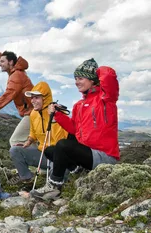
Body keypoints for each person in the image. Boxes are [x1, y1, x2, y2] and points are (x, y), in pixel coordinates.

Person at [31, 59, 120, 200]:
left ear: (92, 80)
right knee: (50, 150)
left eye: (81, 78)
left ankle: (54, 187)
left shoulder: (105, 99)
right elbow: (73, 129)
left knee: (63, 145)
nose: (77, 82)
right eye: (75, 79)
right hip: (87, 154)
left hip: (104, 156)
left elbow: (109, 76)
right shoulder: (79, 105)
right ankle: (78, 169)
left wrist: (95, 71)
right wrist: (58, 115)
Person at [8, 81, 68, 188]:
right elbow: (33, 131)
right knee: (15, 150)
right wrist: (29, 140)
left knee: (54, 183)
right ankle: (27, 179)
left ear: (45, 98)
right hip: (43, 154)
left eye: (36, 98)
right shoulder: (33, 114)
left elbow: (62, 140)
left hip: (58, 156)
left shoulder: (58, 114)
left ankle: (54, 185)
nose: (32, 101)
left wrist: (54, 119)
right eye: (32, 98)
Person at [0, 42, 34, 147]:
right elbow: (4, 59)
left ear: (10, 62)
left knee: (15, 141)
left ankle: (33, 160)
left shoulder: (16, 76)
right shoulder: (16, 70)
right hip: (32, 112)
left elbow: (6, 97)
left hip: (32, 113)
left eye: (2, 61)